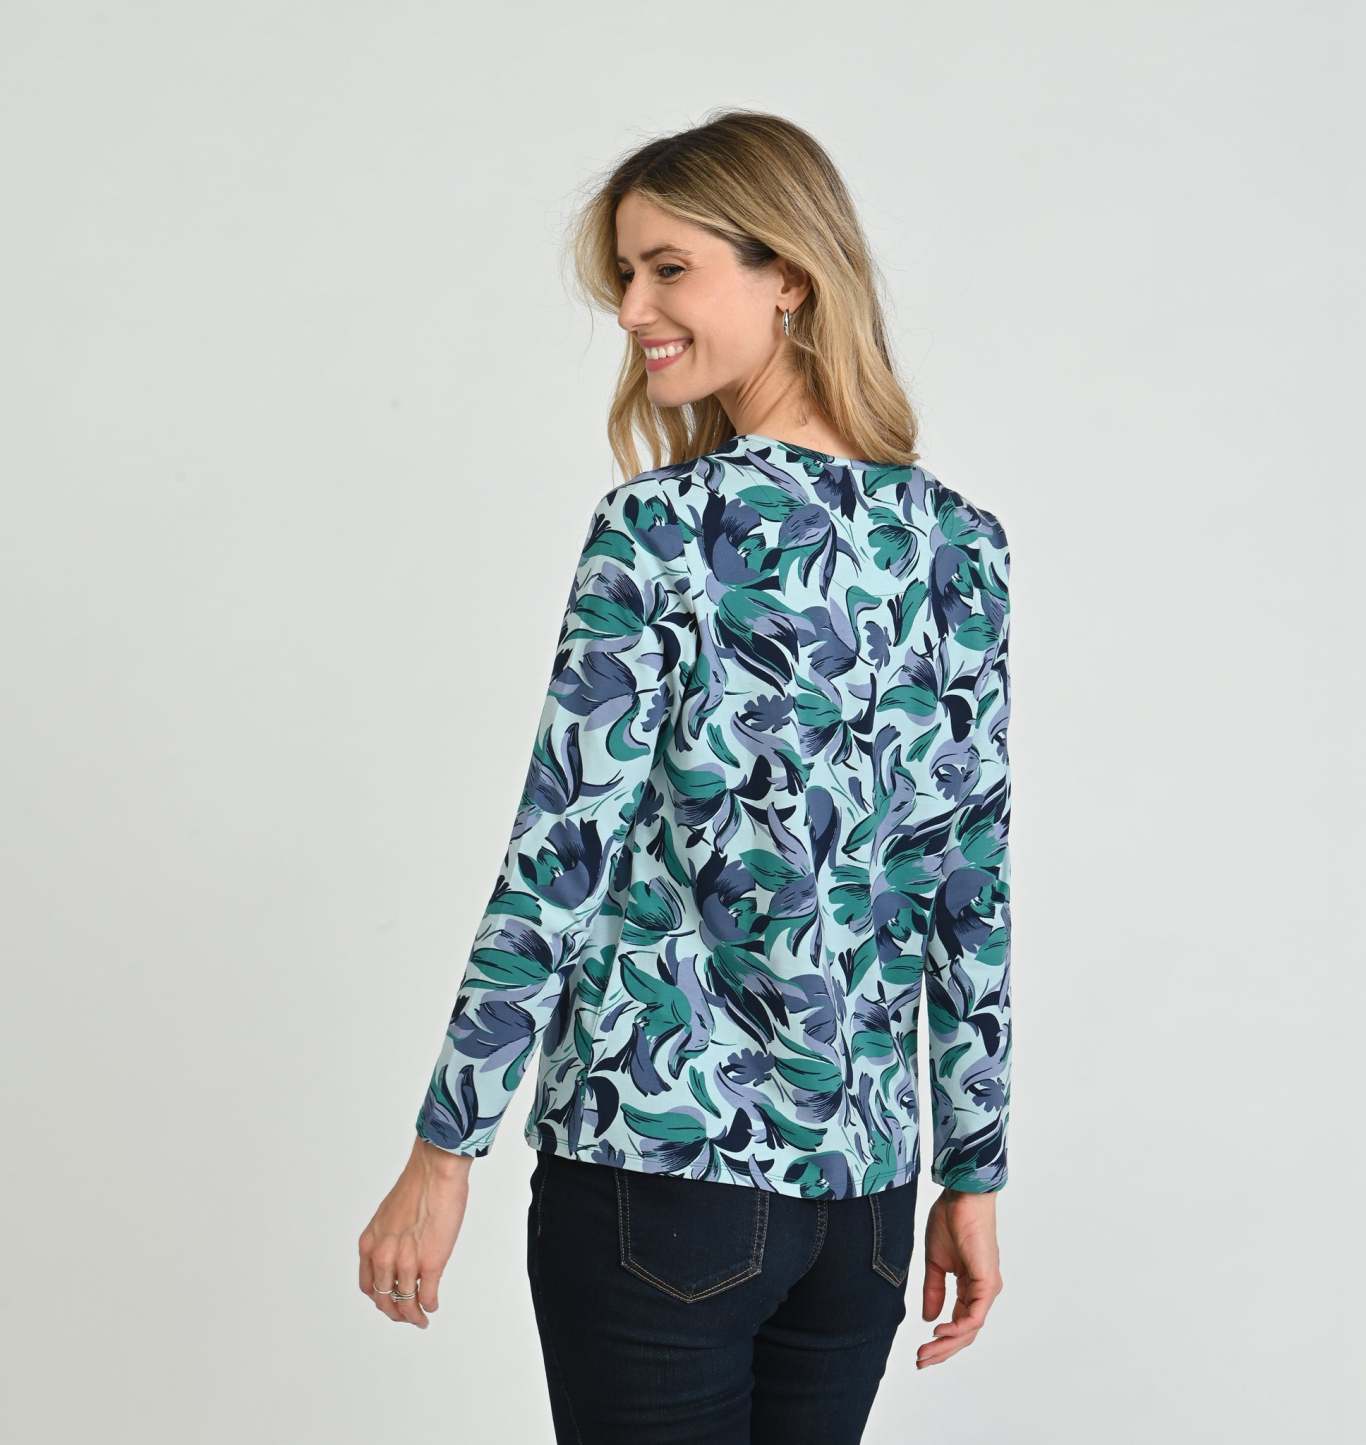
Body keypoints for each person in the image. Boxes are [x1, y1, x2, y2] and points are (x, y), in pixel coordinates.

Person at [358, 108, 1012, 1444]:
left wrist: (444, 1147)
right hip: (864, 1209)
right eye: (624, 276)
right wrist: (972, 1168)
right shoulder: (960, 545)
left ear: (791, 278)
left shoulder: (659, 531)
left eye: (669, 269)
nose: (633, 311)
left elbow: (560, 854)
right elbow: (969, 885)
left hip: (659, 1175)